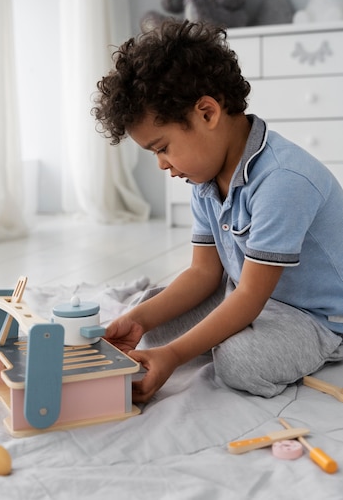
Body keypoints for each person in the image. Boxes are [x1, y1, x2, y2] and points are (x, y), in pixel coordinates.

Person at [92, 20, 343, 404]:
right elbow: (203, 273)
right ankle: (198, 331)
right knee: (151, 329)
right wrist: (138, 320)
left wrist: (175, 356)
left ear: (207, 112)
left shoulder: (283, 179)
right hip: (248, 293)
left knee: (238, 364)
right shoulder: (204, 177)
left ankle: (289, 344)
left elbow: (250, 299)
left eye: (162, 148)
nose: (162, 164)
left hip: (314, 316)